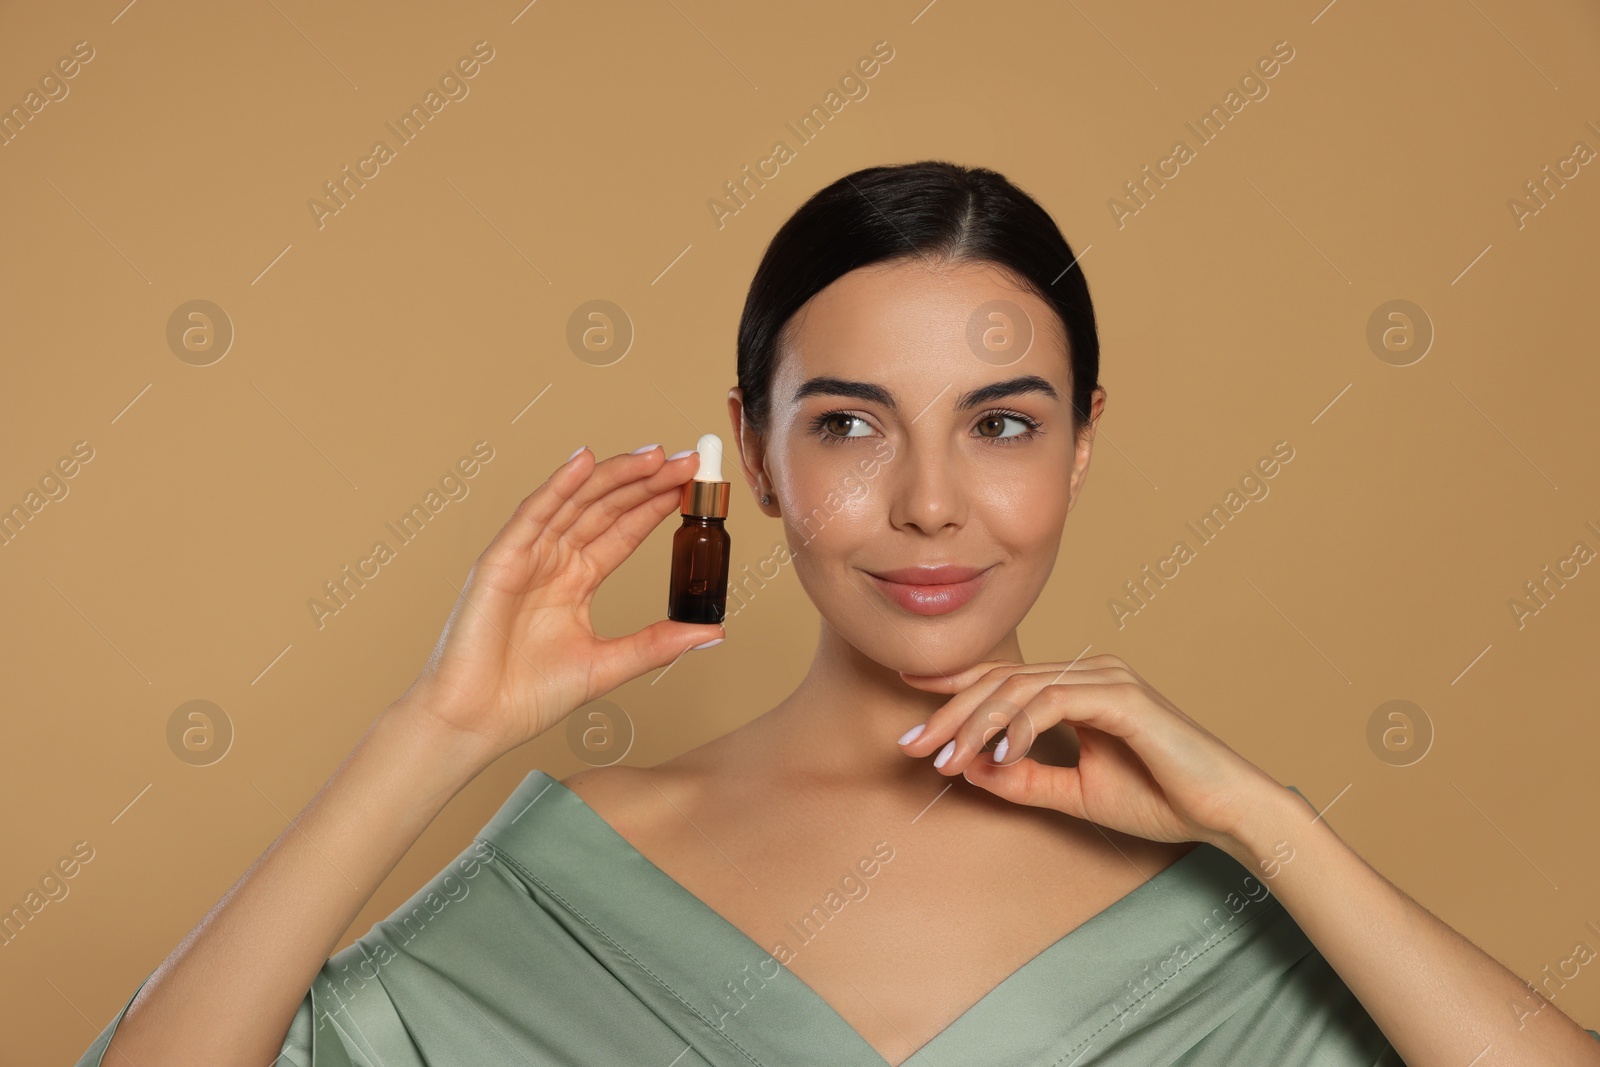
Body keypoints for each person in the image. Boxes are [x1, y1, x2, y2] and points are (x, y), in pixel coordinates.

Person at [73, 161, 1599, 1067]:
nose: (931, 503)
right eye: (854, 426)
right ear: (755, 451)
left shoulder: (1223, 904)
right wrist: (431, 734)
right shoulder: (580, 868)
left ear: (1083, 439)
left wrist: (1272, 829)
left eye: (1001, 424)